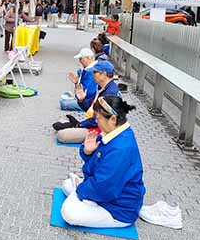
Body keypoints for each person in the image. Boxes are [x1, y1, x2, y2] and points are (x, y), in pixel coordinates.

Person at [60, 96, 145, 228]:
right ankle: (83, 197)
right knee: (66, 185)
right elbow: (97, 166)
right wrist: (87, 152)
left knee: (68, 212)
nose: (96, 121)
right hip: (107, 194)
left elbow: (103, 188)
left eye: (98, 118)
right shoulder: (113, 133)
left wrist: (80, 190)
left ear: (113, 119)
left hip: (118, 210)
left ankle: (82, 197)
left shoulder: (120, 148)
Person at [54, 61, 121, 144]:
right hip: (95, 123)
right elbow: (89, 107)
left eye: (95, 72)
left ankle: (73, 129)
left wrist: (79, 125)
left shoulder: (110, 93)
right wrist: (81, 99)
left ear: (104, 74)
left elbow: (97, 120)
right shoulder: (101, 88)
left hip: (102, 129)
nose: (93, 74)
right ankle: (73, 128)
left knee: (61, 135)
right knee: (63, 120)